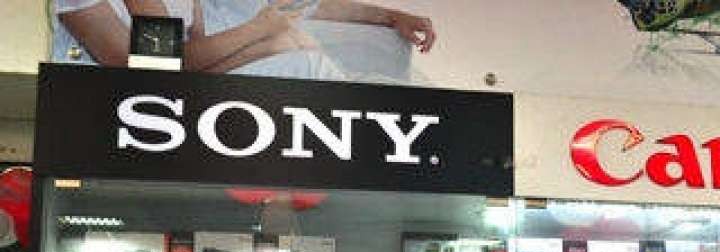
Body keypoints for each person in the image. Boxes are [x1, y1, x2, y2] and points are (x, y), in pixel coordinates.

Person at [54, 0, 435, 78]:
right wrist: (259, 35)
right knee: (300, 55)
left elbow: (190, 63)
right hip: (110, 121)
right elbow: (149, 66)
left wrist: (388, 16)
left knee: (302, 51)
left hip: (177, 105)